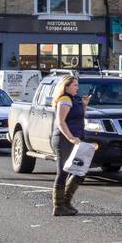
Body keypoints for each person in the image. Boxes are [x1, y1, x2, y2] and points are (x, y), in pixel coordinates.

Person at [52, 75, 91, 217]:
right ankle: (58, 206)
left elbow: (79, 118)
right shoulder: (64, 99)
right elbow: (60, 122)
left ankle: (66, 203)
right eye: (74, 85)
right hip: (64, 139)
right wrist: (70, 137)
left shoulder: (73, 100)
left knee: (79, 171)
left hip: (76, 139)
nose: (77, 87)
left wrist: (84, 106)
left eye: (77, 85)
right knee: (63, 172)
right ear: (66, 86)